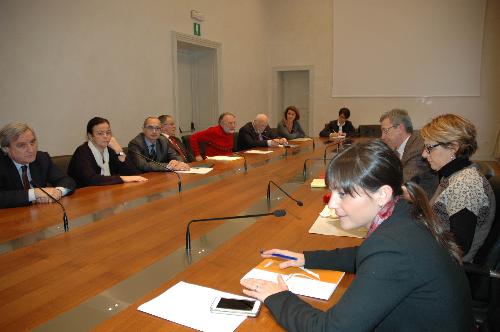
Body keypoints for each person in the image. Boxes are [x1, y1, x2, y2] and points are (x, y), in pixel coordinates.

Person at [241, 140, 472, 331]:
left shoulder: (394, 247)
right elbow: (365, 255)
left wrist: (278, 296)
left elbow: (331, 329)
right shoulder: (403, 214)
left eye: (344, 194)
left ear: (382, 194)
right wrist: (306, 258)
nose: (332, 204)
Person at [421, 114, 495, 262]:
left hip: (446, 267)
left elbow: (458, 247)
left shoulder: (465, 184)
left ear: (454, 148)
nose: (424, 154)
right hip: (434, 254)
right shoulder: (452, 175)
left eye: (429, 148)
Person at [0, 122, 76, 208]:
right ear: (6, 149)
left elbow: (67, 181)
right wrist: (34, 193)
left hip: (41, 212)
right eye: (22, 145)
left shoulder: (41, 158)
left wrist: (57, 192)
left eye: (32, 142)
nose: (31, 150)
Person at [68, 117, 147, 187]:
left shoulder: (110, 150)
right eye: (100, 133)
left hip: (107, 192)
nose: (105, 136)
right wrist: (122, 178)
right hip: (83, 197)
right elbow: (91, 179)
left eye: (108, 132)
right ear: (90, 136)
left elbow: (134, 173)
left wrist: (119, 151)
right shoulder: (82, 152)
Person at [380, 108, 438, 197]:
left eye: (385, 131)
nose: (382, 137)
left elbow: (404, 182)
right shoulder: (397, 148)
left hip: (422, 204)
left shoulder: (419, 146)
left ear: (400, 128)